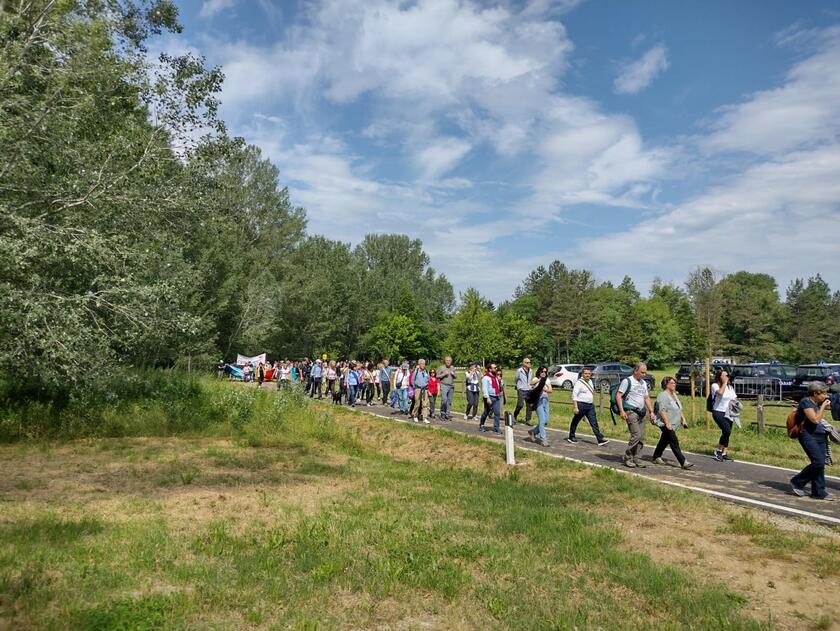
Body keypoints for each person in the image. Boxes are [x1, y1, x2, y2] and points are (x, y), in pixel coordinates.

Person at [791, 382, 833, 500]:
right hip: (808, 436)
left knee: (820, 464)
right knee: (818, 462)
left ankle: (819, 492)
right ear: (815, 393)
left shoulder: (816, 403)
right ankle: (797, 481)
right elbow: (814, 419)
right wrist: (823, 407)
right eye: (823, 393)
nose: (826, 395)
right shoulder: (806, 402)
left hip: (820, 435)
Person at [616, 362, 655, 468]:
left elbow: (646, 397)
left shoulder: (643, 383)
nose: (644, 375)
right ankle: (628, 457)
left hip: (642, 412)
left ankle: (637, 458)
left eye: (645, 372)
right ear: (635, 370)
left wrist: (651, 411)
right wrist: (621, 411)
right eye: (642, 372)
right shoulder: (627, 381)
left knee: (641, 437)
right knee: (636, 435)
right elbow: (619, 396)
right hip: (631, 411)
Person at [651, 377, 693, 469]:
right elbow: (662, 410)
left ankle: (656, 456)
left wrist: (683, 420)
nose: (674, 384)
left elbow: (679, 409)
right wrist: (667, 423)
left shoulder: (674, 395)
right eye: (672, 383)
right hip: (664, 423)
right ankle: (683, 462)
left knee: (665, 440)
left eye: (675, 383)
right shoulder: (663, 395)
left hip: (673, 423)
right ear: (666, 384)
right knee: (674, 441)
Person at [567, 367, 609, 446]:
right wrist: (575, 407)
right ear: (582, 374)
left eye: (589, 374)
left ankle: (600, 439)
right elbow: (574, 395)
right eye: (586, 373)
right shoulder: (579, 383)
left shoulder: (590, 381)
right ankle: (571, 436)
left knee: (594, 422)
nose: (587, 375)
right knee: (576, 421)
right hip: (581, 405)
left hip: (590, 405)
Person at [710, 369, 738, 462]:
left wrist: (733, 404)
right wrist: (725, 383)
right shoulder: (715, 385)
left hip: (728, 412)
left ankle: (724, 453)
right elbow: (719, 393)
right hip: (718, 411)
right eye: (724, 376)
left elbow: (734, 398)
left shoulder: (730, 387)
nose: (727, 377)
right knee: (727, 431)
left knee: (727, 433)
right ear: (719, 377)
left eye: (727, 376)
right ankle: (718, 451)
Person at [527, 365, 552, 447]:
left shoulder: (547, 380)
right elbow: (530, 383)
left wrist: (545, 389)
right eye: (542, 371)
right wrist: (539, 381)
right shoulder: (536, 379)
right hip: (538, 401)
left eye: (545, 371)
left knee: (546, 420)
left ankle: (533, 431)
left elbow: (550, 390)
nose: (544, 373)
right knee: (542, 420)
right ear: (539, 372)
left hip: (545, 400)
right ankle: (543, 439)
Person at [479, 363, 502, 434]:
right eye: (494, 368)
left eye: (496, 367)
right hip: (489, 397)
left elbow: (498, 386)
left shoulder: (495, 377)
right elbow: (484, 389)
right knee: (486, 411)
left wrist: (499, 381)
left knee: (497, 413)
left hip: (496, 396)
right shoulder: (486, 378)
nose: (496, 369)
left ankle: (496, 428)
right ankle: (481, 425)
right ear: (490, 369)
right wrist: (487, 398)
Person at [513, 358, 533, 426]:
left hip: (529, 389)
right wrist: (518, 386)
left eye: (529, 362)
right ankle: (515, 415)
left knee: (529, 405)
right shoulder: (519, 371)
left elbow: (530, 380)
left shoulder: (531, 371)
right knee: (520, 405)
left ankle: (528, 419)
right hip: (521, 389)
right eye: (527, 362)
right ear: (523, 363)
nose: (529, 363)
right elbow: (516, 379)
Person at [437, 356, 456, 421]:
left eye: (449, 360)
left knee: (449, 401)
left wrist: (453, 374)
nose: (448, 362)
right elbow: (437, 376)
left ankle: (447, 414)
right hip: (444, 385)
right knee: (444, 400)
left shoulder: (452, 368)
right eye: (447, 360)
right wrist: (443, 374)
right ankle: (442, 413)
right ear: (444, 361)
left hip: (451, 386)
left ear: (451, 361)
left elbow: (455, 376)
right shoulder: (441, 367)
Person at [411, 359, 430, 423]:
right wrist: (415, 387)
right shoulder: (416, 371)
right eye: (421, 363)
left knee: (425, 404)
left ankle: (425, 417)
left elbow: (428, 380)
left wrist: (427, 388)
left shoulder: (426, 371)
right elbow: (412, 380)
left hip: (425, 389)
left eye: (424, 364)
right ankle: (415, 415)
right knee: (417, 403)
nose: (423, 365)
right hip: (418, 389)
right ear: (419, 364)